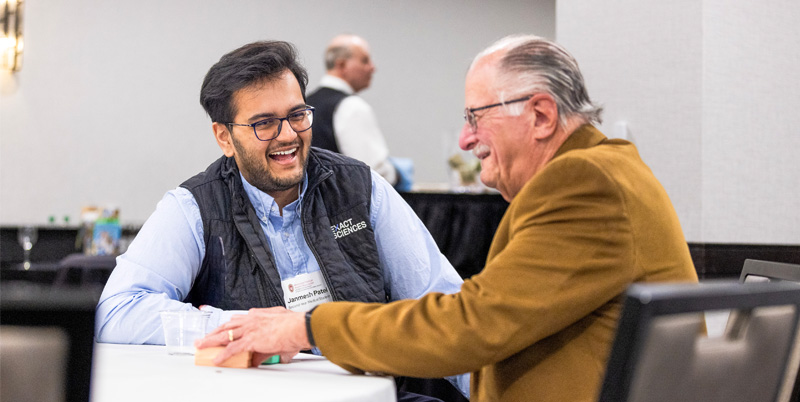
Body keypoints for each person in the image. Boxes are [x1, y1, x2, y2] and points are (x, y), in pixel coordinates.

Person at [196, 34, 700, 402]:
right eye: (263, 124)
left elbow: (469, 327)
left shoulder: (582, 186)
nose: (464, 141)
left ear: (542, 116)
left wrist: (306, 327)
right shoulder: (604, 171)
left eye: (476, 117)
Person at [94, 40, 469, 398]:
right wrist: (244, 329)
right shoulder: (195, 207)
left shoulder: (360, 188)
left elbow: (443, 305)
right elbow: (117, 310)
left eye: (297, 115)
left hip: (367, 395)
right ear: (224, 138)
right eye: (264, 123)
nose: (288, 135)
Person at [305, 34, 402, 188]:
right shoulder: (352, 107)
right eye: (364, 60)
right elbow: (373, 173)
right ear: (342, 65)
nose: (372, 67)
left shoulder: (304, 104)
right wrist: (397, 173)